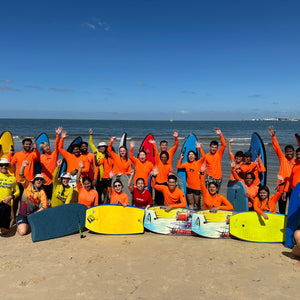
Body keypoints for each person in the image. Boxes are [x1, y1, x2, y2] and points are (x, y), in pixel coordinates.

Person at [268, 126, 296, 214]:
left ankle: (291, 222)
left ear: (293, 152)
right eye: (287, 152)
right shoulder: (283, 158)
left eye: (291, 151)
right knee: (282, 206)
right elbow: (277, 148)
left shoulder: (297, 160)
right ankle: (281, 221)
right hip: (282, 186)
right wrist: (273, 137)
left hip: (293, 186)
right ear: (285, 152)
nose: (289, 153)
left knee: (293, 205)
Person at [16, 160, 48, 236]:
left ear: (42, 182)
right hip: (23, 213)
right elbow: (20, 176)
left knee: (43, 228)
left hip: (33, 214)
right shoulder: (28, 185)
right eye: (37, 179)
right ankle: (21, 224)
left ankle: (29, 224)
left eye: (41, 179)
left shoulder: (42, 192)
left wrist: (35, 214)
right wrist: (23, 166)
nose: (39, 180)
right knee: (23, 232)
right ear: (34, 181)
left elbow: (45, 206)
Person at [177, 145, 203, 210]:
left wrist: (199, 147)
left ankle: (198, 215)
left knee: (197, 203)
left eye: (192, 154)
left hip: (197, 187)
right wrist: (181, 158)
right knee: (191, 203)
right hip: (189, 187)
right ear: (188, 157)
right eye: (189, 155)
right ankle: (191, 216)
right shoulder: (186, 164)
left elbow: (204, 156)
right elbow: (178, 166)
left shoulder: (198, 163)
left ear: (195, 156)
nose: (191, 156)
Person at [39, 127, 62, 200]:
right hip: (44, 181)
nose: (47, 147)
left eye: (47, 145)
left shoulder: (54, 154)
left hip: (53, 180)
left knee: (53, 199)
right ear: (42, 149)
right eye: (45, 147)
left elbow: (57, 146)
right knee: (44, 199)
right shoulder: (40, 156)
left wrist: (57, 135)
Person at [0, 158, 20, 235]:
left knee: (5, 232)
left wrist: (11, 197)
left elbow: (18, 191)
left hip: (6, 206)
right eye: (1, 165)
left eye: (6, 165)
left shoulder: (12, 178)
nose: (4, 167)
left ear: (8, 166)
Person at [150, 139, 172, 205]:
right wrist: (154, 143)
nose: (163, 158)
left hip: (165, 184)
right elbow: (156, 152)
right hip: (157, 184)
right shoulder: (158, 162)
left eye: (165, 157)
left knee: (164, 199)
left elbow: (170, 175)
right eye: (162, 157)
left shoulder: (168, 165)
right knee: (157, 199)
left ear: (167, 158)